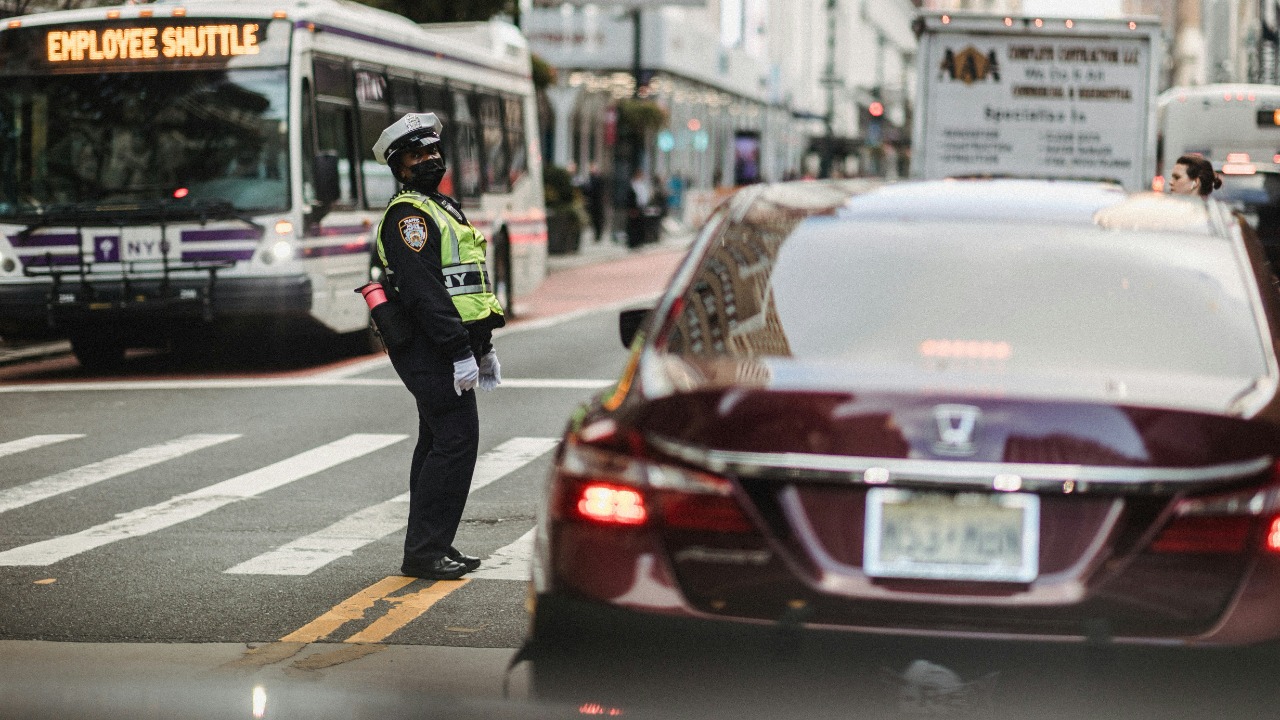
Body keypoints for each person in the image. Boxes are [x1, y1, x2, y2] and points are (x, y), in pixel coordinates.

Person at [371, 112, 506, 580]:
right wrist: (459, 352)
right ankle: (425, 551)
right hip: (427, 345)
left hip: (446, 343)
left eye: (432, 150)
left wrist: (483, 345)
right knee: (455, 441)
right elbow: (425, 293)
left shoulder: (441, 207)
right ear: (399, 167)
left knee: (437, 442)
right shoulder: (408, 217)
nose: (429, 159)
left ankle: (431, 545)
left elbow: (467, 285)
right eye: (416, 154)